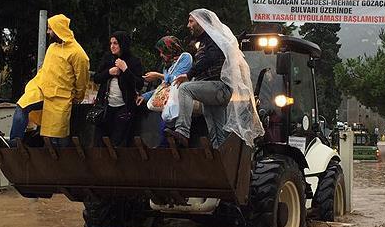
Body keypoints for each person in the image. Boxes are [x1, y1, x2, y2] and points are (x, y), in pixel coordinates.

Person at [166, 9, 263, 149]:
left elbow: (211, 58)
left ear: (201, 22)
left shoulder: (214, 38)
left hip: (219, 87)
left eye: (191, 21)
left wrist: (189, 74)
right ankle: (222, 162)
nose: (188, 25)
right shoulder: (206, 41)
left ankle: (182, 131)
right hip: (212, 91)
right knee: (216, 132)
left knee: (184, 89)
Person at [8, 14, 90, 146]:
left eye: (50, 29)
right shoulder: (52, 48)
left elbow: (82, 80)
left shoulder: (78, 54)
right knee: (21, 107)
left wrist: (78, 98)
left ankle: (57, 161)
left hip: (59, 97)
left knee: (54, 137)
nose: (48, 32)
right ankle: (14, 143)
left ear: (58, 29)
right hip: (40, 89)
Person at [138, 36, 193, 145]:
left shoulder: (185, 58)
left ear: (170, 50)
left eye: (163, 52)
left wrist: (158, 75)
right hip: (168, 106)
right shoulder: (168, 66)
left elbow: (177, 79)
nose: (161, 55)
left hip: (181, 105)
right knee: (164, 135)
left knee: (171, 138)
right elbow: (163, 87)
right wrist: (145, 96)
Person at [93, 31, 144, 146]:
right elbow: (96, 78)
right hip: (105, 106)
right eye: (111, 43)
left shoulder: (133, 61)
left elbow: (139, 84)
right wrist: (109, 72)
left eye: (115, 43)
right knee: (100, 141)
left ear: (123, 44)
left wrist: (125, 70)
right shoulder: (108, 58)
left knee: (119, 142)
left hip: (124, 107)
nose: (112, 46)